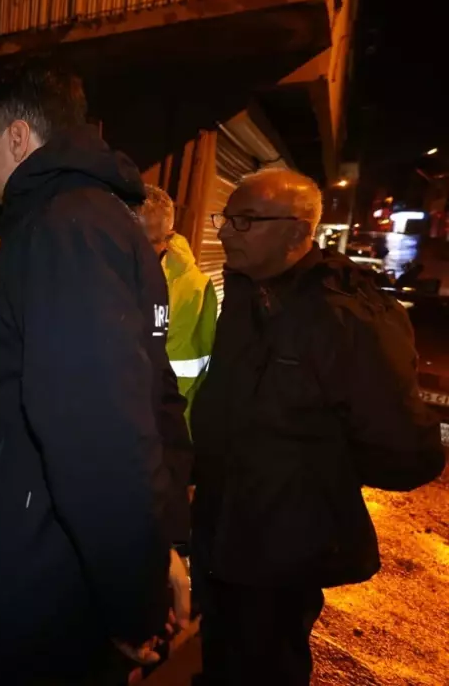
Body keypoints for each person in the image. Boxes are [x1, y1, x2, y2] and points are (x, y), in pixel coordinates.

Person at [0, 66, 191, 684]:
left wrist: (134, 603)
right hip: (65, 567)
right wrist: (159, 551)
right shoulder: (107, 224)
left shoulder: (61, 230)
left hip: (31, 584)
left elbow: (98, 434)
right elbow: (158, 405)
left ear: (18, 138)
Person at [190, 169, 445, 685]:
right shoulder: (244, 290)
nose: (224, 232)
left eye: (243, 221)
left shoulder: (347, 315)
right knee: (219, 653)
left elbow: (403, 448)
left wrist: (315, 476)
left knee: (264, 665)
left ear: (295, 231)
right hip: (222, 524)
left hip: (284, 543)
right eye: (226, 218)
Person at [138, 184, 218, 428]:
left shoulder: (198, 287)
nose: (135, 248)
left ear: (169, 238)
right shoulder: (98, 271)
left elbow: (205, 365)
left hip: (166, 425)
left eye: (147, 240)